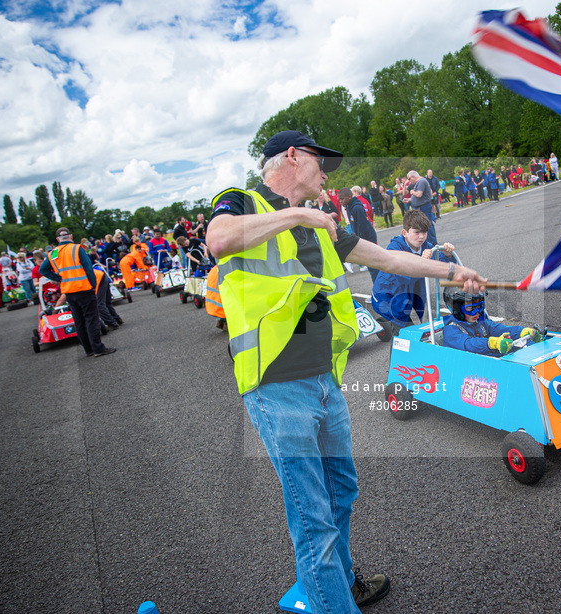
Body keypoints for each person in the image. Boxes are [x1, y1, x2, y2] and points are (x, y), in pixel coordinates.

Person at [204, 130, 484, 614]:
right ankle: (334, 602)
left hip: (323, 382)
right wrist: (297, 214)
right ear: (291, 157)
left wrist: (449, 272)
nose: (326, 172)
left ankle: (339, 583)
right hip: (275, 387)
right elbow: (218, 240)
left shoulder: (322, 229)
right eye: (319, 160)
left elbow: (390, 258)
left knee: (341, 493)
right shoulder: (240, 201)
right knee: (313, 518)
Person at [371, 210, 456, 331]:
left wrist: (447, 255)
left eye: (424, 232)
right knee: (406, 335)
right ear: (405, 233)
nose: (421, 236)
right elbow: (403, 276)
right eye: (416, 232)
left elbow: (442, 265)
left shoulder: (425, 245)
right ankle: (392, 332)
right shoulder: (394, 249)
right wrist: (420, 261)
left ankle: (385, 326)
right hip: (387, 298)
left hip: (405, 297)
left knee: (409, 325)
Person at [40, 228, 116, 358]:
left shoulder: (53, 253)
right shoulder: (77, 248)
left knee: (79, 321)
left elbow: (43, 269)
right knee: (91, 319)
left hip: (69, 291)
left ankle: (88, 350)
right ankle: (98, 348)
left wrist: (58, 278)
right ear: (71, 236)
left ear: (58, 239)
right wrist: (93, 285)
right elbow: (88, 269)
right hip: (83, 288)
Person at [442, 288, 541, 356]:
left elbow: (498, 329)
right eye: (470, 308)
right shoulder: (451, 330)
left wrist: (521, 332)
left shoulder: (481, 322)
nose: (477, 312)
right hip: (469, 370)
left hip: (486, 361)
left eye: (479, 307)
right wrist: (491, 343)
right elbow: (469, 344)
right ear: (456, 309)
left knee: (530, 345)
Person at [340, 188, 379, 281]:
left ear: (349, 197)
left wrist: (361, 241)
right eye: (339, 200)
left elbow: (363, 227)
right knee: (370, 265)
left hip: (367, 238)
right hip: (361, 237)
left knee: (373, 264)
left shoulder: (356, 208)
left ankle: (378, 286)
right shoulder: (349, 207)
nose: (341, 202)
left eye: (342, 199)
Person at [406, 170, 437, 244]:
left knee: (426, 225)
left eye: (409, 179)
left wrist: (412, 192)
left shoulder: (421, 181)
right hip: (421, 206)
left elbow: (419, 194)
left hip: (423, 207)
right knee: (423, 225)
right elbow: (420, 196)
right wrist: (410, 199)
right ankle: (429, 242)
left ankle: (432, 243)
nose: (409, 181)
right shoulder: (420, 182)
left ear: (413, 176)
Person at [92, 262, 123, 330]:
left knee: (100, 305)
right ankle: (116, 319)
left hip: (97, 279)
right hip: (100, 275)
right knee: (106, 302)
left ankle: (112, 322)